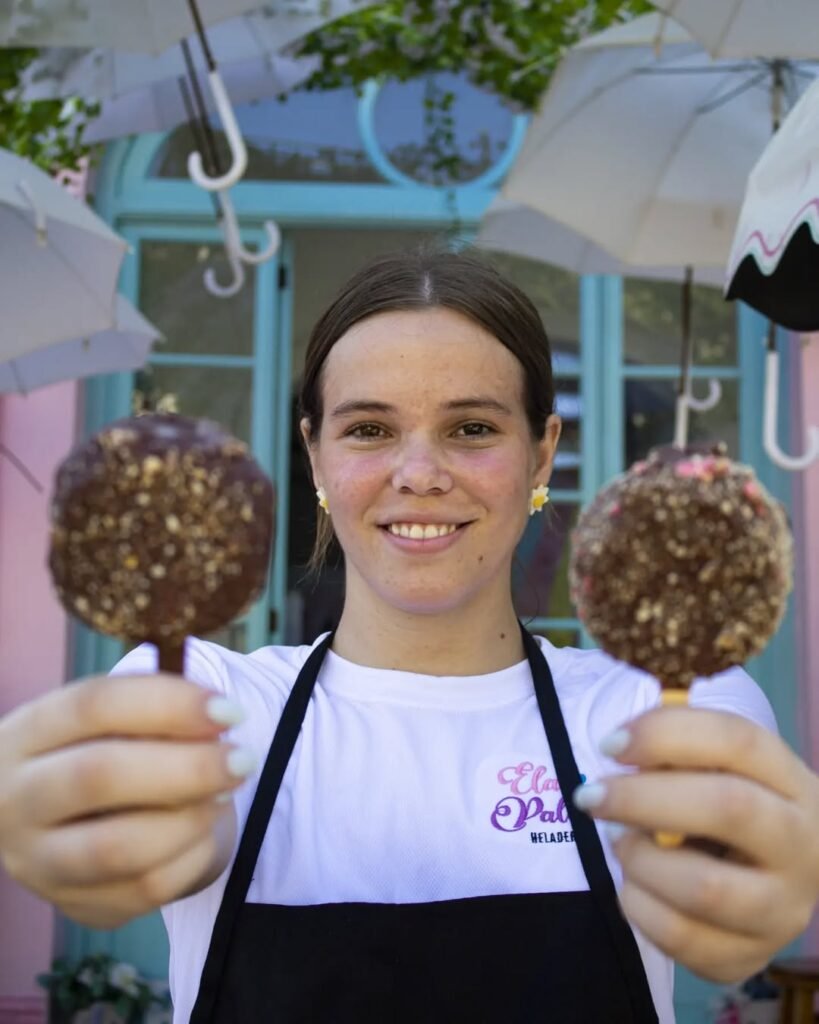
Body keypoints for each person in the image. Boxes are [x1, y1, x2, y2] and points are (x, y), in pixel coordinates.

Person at [1, 247, 818, 1024]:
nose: (419, 473)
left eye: (470, 429)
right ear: (313, 455)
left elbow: (721, 853)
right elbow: (157, 810)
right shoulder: (208, 695)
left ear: (541, 454)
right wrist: (90, 833)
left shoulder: (655, 704)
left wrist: (747, 882)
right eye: (368, 430)